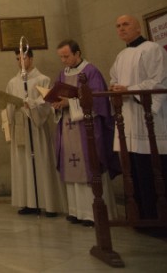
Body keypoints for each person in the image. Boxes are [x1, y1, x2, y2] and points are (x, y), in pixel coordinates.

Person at [109, 14, 167, 225]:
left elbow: (160, 82)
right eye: (118, 26)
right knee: (138, 170)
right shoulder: (121, 56)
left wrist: (129, 90)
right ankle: (144, 217)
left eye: (126, 25)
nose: (121, 29)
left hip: (154, 121)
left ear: (138, 28)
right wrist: (114, 88)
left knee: (162, 171)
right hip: (132, 122)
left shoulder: (153, 50)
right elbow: (115, 79)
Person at [51, 39, 119, 227]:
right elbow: (58, 96)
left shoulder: (91, 72)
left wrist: (69, 103)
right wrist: (56, 104)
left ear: (77, 53)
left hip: (87, 129)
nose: (63, 60)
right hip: (67, 127)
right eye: (61, 57)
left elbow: (98, 101)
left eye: (66, 56)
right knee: (71, 167)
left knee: (90, 166)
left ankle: (93, 213)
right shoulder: (62, 74)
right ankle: (76, 211)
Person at [4, 48, 63, 216]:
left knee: (41, 161)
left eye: (23, 58)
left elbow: (47, 102)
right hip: (21, 127)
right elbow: (8, 103)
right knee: (24, 163)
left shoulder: (43, 79)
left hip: (36, 128)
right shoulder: (13, 82)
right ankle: (29, 203)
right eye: (17, 59)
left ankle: (49, 204)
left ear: (30, 58)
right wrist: (12, 108)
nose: (20, 62)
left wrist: (32, 104)